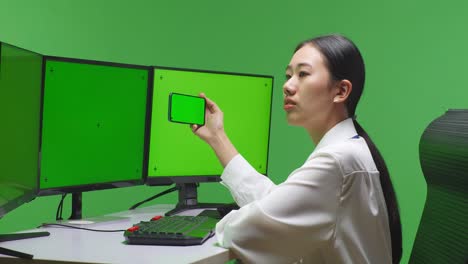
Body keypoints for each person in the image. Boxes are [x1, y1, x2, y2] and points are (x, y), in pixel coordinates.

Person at [191, 34, 402, 264]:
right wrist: (217, 137)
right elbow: (277, 204)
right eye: (288, 75)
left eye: (303, 74)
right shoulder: (349, 150)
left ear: (341, 91)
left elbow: (245, 232)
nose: (288, 85)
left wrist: (218, 225)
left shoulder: (337, 161)